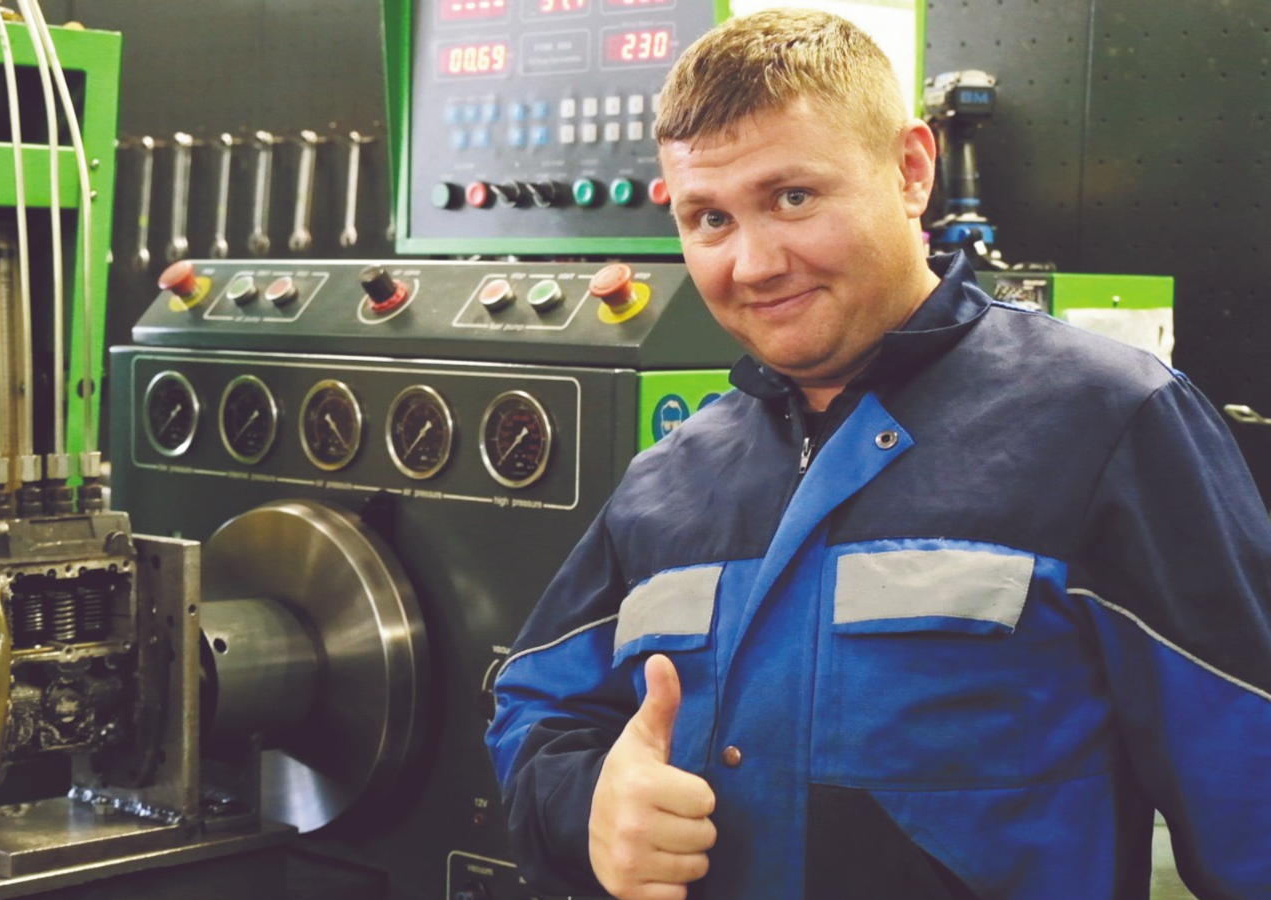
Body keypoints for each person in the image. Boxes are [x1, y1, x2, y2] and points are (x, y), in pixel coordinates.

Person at [485, 8, 1271, 900]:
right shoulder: (668, 481)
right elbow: (537, 706)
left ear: (910, 171)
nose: (753, 263)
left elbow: (1252, 786)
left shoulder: (1105, 423)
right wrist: (590, 806)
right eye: (709, 218)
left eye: (793, 197)